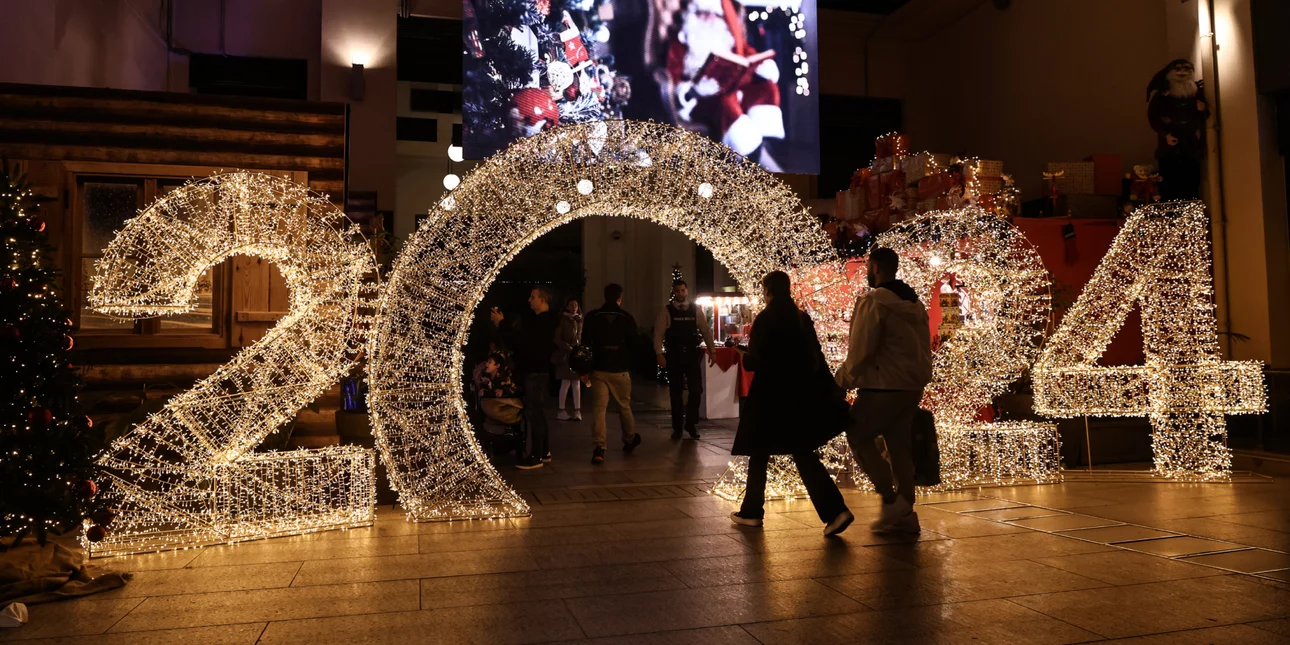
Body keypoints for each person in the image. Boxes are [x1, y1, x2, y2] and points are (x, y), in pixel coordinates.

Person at [729, 271, 853, 536]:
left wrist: (744, 356)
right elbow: (816, 356)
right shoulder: (801, 318)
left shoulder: (765, 319)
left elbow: (755, 361)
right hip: (798, 396)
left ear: (768, 291)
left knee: (760, 452)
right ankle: (834, 511)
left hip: (769, 396)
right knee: (802, 451)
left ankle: (752, 511)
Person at [837, 247, 933, 533]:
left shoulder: (874, 301)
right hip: (910, 387)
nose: (867, 271)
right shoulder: (914, 302)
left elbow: (861, 350)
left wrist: (841, 381)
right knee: (899, 445)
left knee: (857, 434)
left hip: (882, 386)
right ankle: (905, 511)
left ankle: (890, 499)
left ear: (876, 267)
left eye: (868, 266)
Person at [491, 286, 560, 469]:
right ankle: (543, 452)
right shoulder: (544, 320)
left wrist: (502, 324)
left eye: (533, 297)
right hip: (538, 370)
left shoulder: (544, 322)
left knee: (534, 413)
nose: (529, 300)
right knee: (538, 413)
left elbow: (525, 342)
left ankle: (536, 456)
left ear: (543, 300)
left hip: (536, 371)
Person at [583, 284, 641, 465]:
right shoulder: (626, 318)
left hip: (599, 369)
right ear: (619, 298)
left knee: (599, 408)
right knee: (624, 406)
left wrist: (585, 369)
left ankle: (599, 447)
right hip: (620, 369)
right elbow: (635, 345)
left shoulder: (592, 317)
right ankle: (630, 439)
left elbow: (585, 344)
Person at [654, 280, 717, 440]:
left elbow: (705, 330)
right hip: (674, 356)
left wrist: (713, 350)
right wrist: (659, 353)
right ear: (674, 292)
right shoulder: (667, 311)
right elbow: (659, 333)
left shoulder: (695, 310)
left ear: (686, 291)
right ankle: (677, 428)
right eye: (677, 291)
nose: (680, 293)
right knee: (675, 393)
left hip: (690, 355)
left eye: (683, 290)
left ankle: (690, 423)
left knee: (696, 390)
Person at [554, 297, 584, 421]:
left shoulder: (579, 320)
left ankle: (577, 411)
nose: (574, 307)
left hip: (576, 355)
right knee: (566, 383)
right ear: (567, 306)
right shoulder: (563, 320)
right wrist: (567, 346)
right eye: (571, 305)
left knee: (576, 383)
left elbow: (580, 337)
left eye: (576, 305)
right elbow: (557, 338)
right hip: (566, 355)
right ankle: (561, 410)